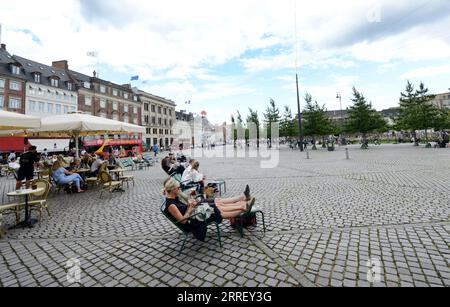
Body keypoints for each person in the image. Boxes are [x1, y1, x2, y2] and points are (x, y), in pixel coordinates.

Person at [163, 178, 254, 242]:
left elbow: (185, 208)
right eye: (178, 188)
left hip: (195, 213)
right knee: (218, 210)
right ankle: (242, 207)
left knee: (217, 207)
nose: (180, 189)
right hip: (194, 221)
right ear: (173, 189)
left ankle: (242, 205)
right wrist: (191, 207)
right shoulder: (171, 205)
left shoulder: (174, 198)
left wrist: (192, 204)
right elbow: (183, 221)